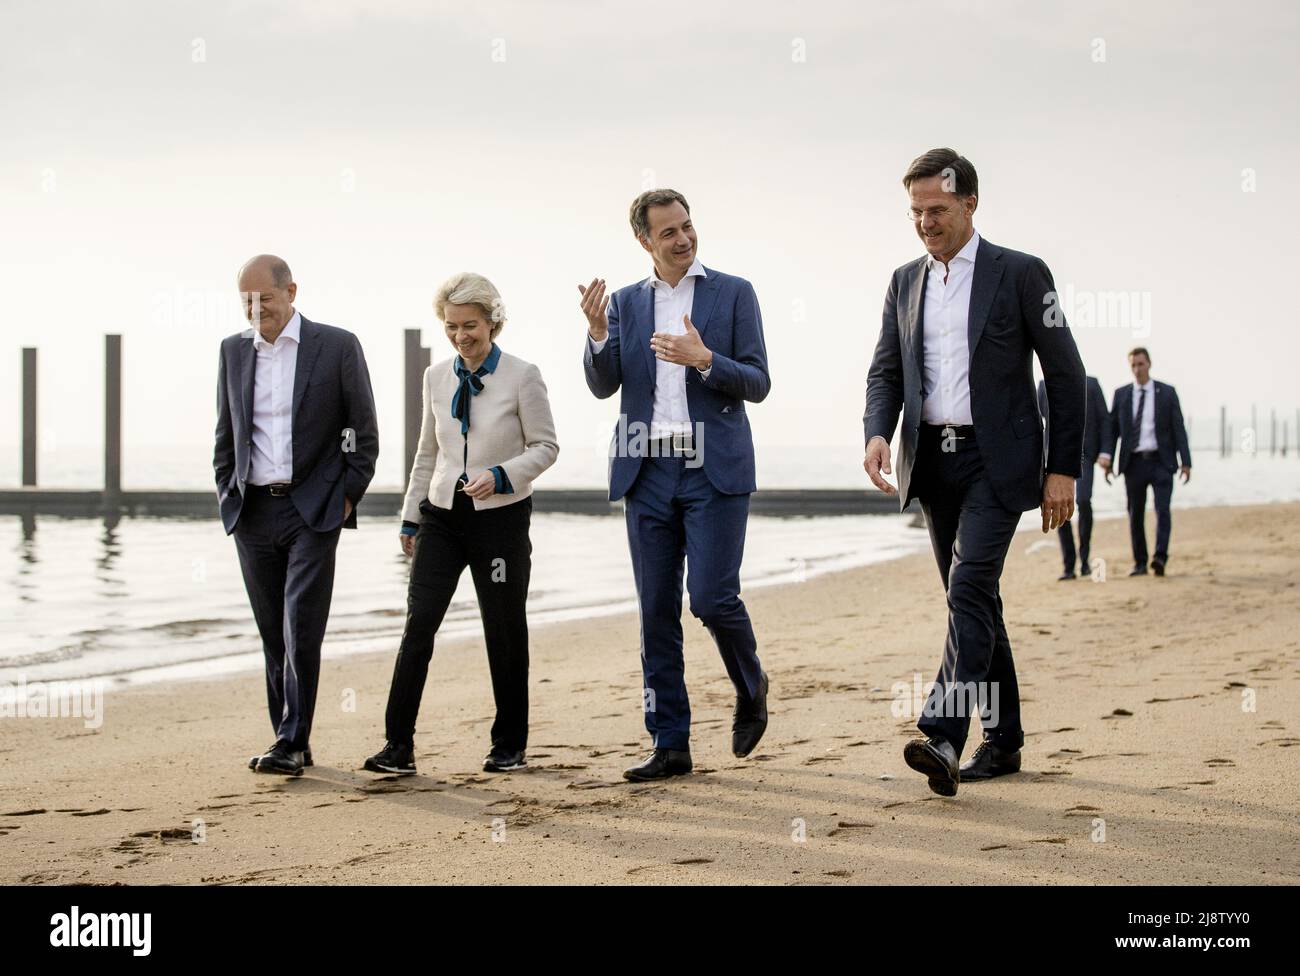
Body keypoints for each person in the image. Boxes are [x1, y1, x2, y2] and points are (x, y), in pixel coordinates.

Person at [863, 149, 1085, 796]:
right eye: (916, 212)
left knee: (967, 590)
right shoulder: (905, 281)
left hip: (1000, 464)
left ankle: (942, 734)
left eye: (937, 209)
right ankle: (1006, 739)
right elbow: (885, 371)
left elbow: (1065, 376)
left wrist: (1062, 469)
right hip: (931, 463)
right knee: (977, 600)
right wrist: (878, 432)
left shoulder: (1020, 274)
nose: (926, 223)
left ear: (969, 203)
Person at [580, 188, 772, 782]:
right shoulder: (626, 304)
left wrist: (705, 359)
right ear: (645, 241)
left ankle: (752, 684)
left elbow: (759, 381)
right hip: (646, 471)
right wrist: (595, 333)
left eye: (687, 226)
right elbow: (603, 384)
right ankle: (670, 743)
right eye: (668, 232)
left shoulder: (734, 293)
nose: (683, 238)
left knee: (712, 599)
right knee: (655, 612)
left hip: (713, 471)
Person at [365, 272, 558, 776]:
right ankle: (397, 746)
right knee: (418, 626)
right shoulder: (435, 377)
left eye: (469, 325)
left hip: (501, 521)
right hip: (441, 520)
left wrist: (501, 476)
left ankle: (508, 744)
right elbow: (427, 453)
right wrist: (410, 518)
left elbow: (545, 447)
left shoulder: (523, 375)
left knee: (504, 629)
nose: (460, 336)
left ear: (492, 321)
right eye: (451, 326)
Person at [215, 254, 379, 776]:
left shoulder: (336, 345)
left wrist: (345, 496)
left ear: (291, 291)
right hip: (253, 512)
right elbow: (227, 432)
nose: (254, 308)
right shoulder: (232, 351)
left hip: (313, 509)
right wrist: (228, 493)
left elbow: (363, 432)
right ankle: (291, 740)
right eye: (245, 299)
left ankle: (290, 739)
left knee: (300, 626)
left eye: (264, 297)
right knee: (271, 632)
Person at [1098, 347, 1191, 576]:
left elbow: (1179, 428)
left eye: (1141, 364)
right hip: (1134, 463)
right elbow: (1113, 430)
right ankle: (1140, 562)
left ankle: (1159, 558)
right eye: (1133, 365)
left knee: (1162, 511)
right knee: (1135, 514)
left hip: (1162, 462)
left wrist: (1186, 462)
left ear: (1149, 364)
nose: (1137, 369)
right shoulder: (1122, 394)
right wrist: (1107, 458)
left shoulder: (1167, 393)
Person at [1038, 374, 1111, 579]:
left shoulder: (1092, 384)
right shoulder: (1043, 386)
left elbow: (1104, 418)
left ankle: (1085, 559)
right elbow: (1036, 421)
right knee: (1057, 506)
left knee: (1084, 501)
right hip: (1052, 456)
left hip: (1084, 454)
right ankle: (1069, 566)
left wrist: (1106, 452)